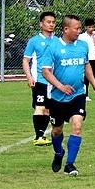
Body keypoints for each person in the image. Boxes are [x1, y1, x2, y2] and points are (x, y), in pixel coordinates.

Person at [40, 14, 95, 176]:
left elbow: (86, 66)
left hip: (78, 95)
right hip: (57, 98)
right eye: (77, 28)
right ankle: (59, 152)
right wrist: (60, 86)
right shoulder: (53, 47)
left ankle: (70, 164)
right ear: (66, 29)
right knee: (57, 131)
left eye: (80, 28)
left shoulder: (82, 46)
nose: (79, 31)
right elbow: (46, 72)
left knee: (77, 126)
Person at [22, 10, 58, 146]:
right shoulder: (34, 41)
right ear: (41, 24)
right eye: (48, 22)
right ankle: (39, 136)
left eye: (53, 22)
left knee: (48, 109)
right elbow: (26, 60)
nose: (51, 25)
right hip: (40, 80)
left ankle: (43, 135)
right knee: (40, 106)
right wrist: (29, 77)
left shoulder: (57, 41)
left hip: (53, 81)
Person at [80, 18, 95, 100]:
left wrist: (93, 37)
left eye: (92, 27)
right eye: (89, 27)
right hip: (86, 60)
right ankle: (85, 95)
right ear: (86, 27)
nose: (91, 29)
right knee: (85, 78)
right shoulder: (81, 36)